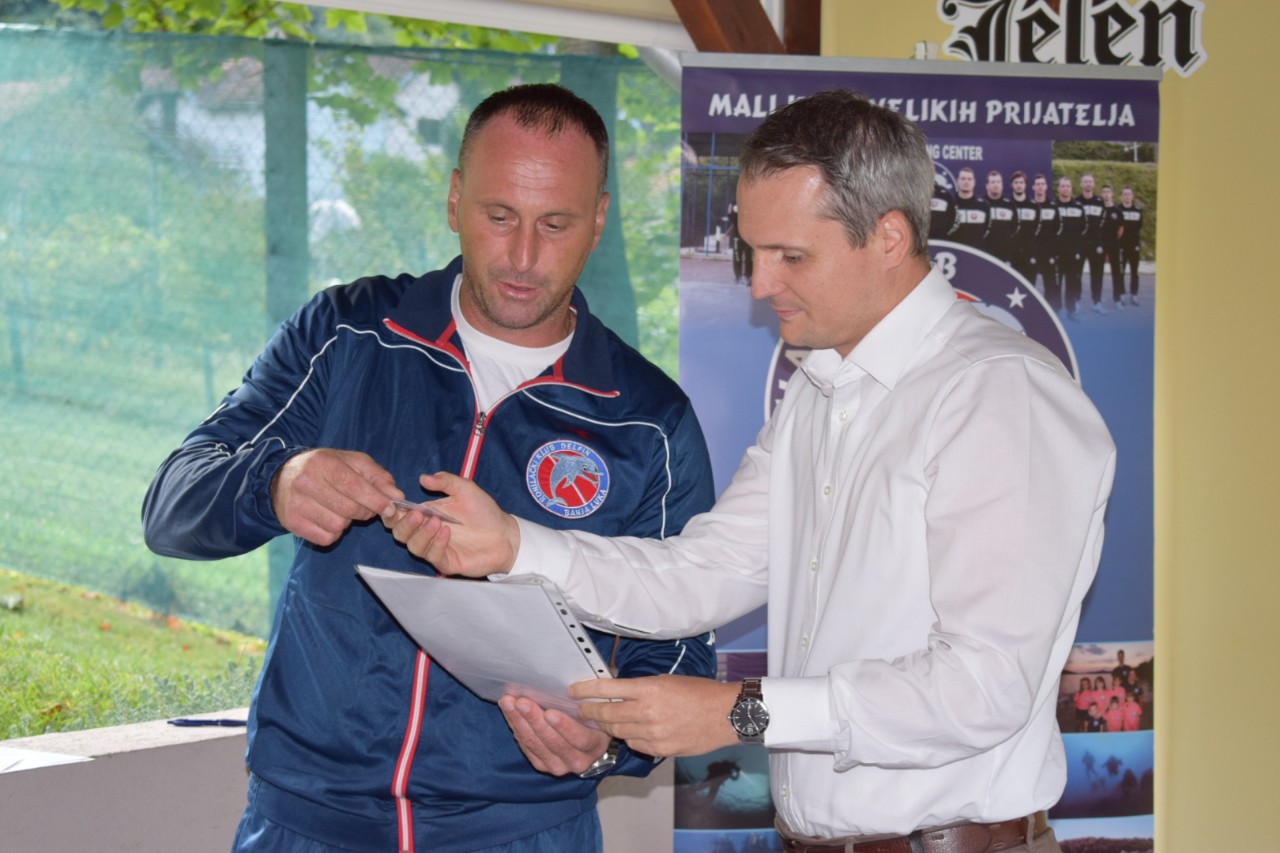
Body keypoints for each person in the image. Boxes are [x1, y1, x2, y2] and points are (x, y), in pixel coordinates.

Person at [396, 90, 1116, 853]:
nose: (761, 284)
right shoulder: (818, 391)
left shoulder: (1000, 392)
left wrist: (737, 711)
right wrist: (515, 545)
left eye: (791, 256)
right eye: (753, 251)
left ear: (889, 237)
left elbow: (983, 685)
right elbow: (700, 573)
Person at [141, 83, 718, 853]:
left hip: (521, 832)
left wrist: (609, 741)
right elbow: (171, 507)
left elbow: (679, 651)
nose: (523, 255)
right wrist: (276, 483)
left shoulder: (647, 419)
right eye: (499, 216)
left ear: (599, 222)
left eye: (555, 224)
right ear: (454, 200)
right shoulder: (347, 334)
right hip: (307, 822)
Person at [1053, 176, 1088, 320]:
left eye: (1068, 186)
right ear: (1058, 189)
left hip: (1073, 253)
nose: (1065, 189)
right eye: (1063, 186)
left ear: (1071, 189)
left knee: (1072, 283)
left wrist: (1077, 248)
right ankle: (1055, 311)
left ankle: (1071, 310)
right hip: (1056, 252)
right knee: (1056, 284)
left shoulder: (1078, 207)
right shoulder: (1053, 206)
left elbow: (1084, 229)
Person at [1076, 173, 1108, 314]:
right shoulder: (1076, 202)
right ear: (1081, 185)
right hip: (1081, 244)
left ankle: (1097, 302)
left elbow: (1104, 224)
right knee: (1076, 273)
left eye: (1090, 181)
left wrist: (1101, 243)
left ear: (1094, 184)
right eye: (1085, 181)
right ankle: (1076, 301)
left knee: (1097, 274)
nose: (1088, 184)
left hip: (1096, 245)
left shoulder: (1100, 202)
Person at [1116, 187, 1145, 306]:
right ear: (1121, 197)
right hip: (1121, 246)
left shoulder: (1138, 211)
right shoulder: (1117, 210)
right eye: (1125, 194)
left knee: (1134, 272)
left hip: (1134, 246)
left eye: (1129, 194)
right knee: (1120, 272)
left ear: (1132, 196)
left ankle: (1134, 295)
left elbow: (1139, 227)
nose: (1127, 196)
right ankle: (1121, 294)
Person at [983, 169, 1019, 263]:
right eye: (993, 182)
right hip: (985, 253)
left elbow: (1015, 228)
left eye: (998, 182)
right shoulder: (980, 204)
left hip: (1005, 255)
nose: (996, 185)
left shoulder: (1009, 205)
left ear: (1002, 185)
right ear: (987, 185)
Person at [950, 165, 990, 249]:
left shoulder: (983, 205)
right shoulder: (950, 203)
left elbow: (986, 230)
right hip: (954, 251)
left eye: (969, 179)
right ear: (957, 181)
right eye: (963, 179)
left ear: (974, 182)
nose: (966, 182)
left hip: (976, 252)